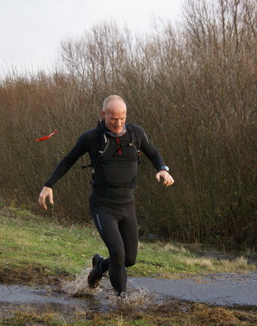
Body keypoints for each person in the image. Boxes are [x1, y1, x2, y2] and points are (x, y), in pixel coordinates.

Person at [38, 95, 174, 297]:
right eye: (113, 119)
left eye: (122, 118)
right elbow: (68, 160)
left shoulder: (136, 133)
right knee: (118, 254)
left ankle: (99, 267)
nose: (118, 123)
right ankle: (122, 301)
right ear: (103, 115)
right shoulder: (91, 137)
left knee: (129, 260)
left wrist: (162, 169)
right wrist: (48, 185)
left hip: (127, 204)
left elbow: (153, 153)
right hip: (103, 205)